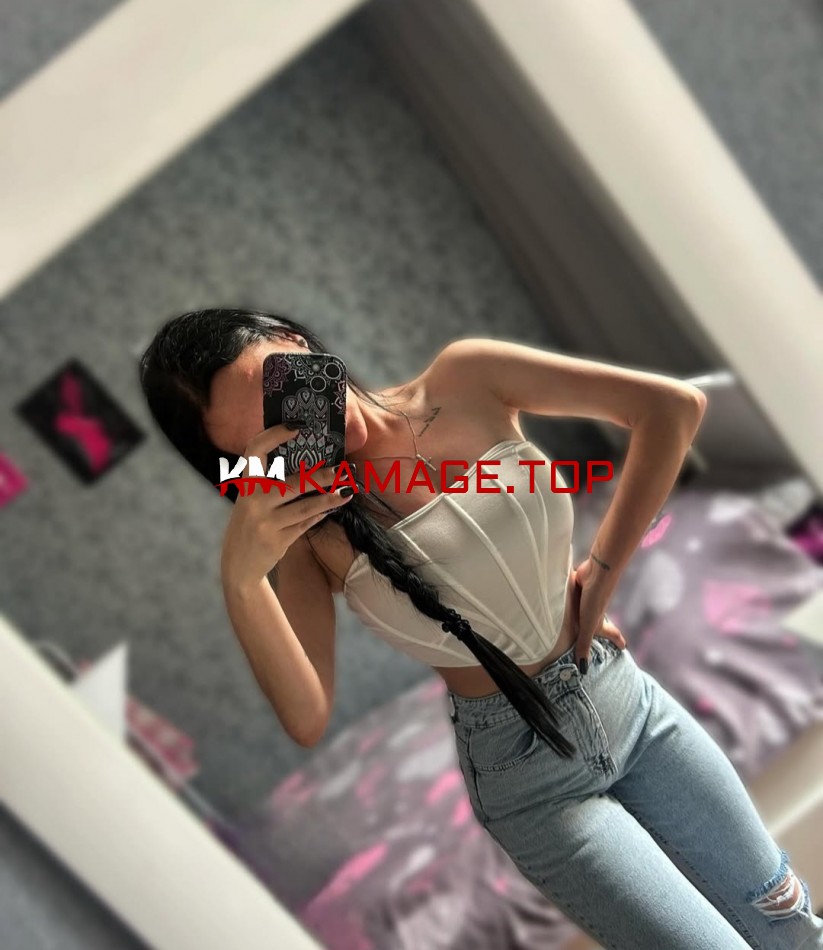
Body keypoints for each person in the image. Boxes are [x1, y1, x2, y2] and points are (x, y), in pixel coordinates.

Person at [139, 307, 823, 950]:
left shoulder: (466, 377)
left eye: (277, 387)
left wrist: (603, 571)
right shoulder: (312, 536)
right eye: (268, 438)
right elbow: (306, 716)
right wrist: (241, 580)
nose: (294, 423)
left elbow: (672, 408)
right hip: (529, 785)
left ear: (295, 345)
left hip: (630, 705)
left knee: (789, 926)